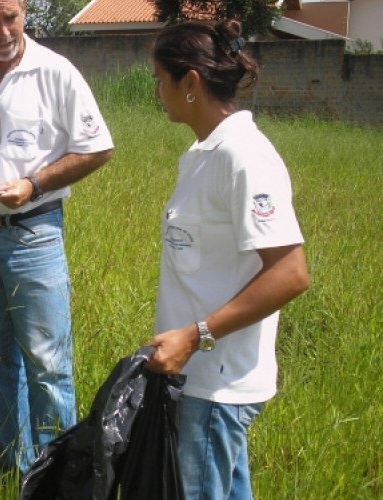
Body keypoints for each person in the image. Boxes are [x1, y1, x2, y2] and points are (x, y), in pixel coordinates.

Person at [0, 0, 114, 475]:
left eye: (11, 16)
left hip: (35, 234)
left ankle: (58, 478)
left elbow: (97, 147)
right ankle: (14, 466)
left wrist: (34, 184)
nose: (4, 30)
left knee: (48, 367)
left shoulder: (56, 72)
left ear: (24, 11)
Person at [144, 19, 310, 500]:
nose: (156, 91)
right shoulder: (204, 154)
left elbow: (290, 272)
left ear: (190, 83)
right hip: (198, 382)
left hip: (215, 387)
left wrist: (196, 337)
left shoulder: (243, 157)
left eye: (160, 79)